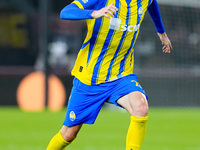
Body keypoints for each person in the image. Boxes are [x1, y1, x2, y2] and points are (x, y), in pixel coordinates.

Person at [47, 0, 172, 149]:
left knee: (141, 106)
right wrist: (94, 13)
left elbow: (152, 4)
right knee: (68, 134)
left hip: (120, 76)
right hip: (90, 78)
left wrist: (161, 32)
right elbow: (66, 12)